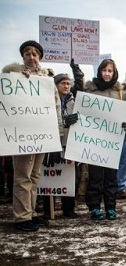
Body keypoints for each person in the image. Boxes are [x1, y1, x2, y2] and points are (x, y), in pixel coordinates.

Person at [2, 40, 63, 231]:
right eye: (27, 53)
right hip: (22, 137)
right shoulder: (14, 76)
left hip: (42, 136)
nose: (31, 57)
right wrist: (19, 76)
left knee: (35, 176)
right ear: (23, 57)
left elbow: (56, 108)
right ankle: (22, 217)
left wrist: (57, 136)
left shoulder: (47, 82)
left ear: (40, 58)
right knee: (22, 177)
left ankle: (31, 212)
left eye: (35, 54)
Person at [77, 59, 126, 221]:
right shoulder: (90, 90)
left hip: (112, 142)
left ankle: (110, 207)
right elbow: (82, 111)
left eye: (110, 71)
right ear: (99, 72)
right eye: (104, 70)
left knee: (110, 177)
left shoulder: (119, 92)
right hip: (94, 141)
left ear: (114, 73)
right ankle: (94, 207)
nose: (107, 74)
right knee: (95, 177)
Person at [42, 70, 81, 219]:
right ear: (55, 85)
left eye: (68, 83)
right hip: (52, 142)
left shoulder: (73, 101)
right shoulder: (48, 100)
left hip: (69, 143)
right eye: (63, 83)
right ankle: (48, 209)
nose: (66, 86)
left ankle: (68, 209)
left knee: (69, 177)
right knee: (50, 175)